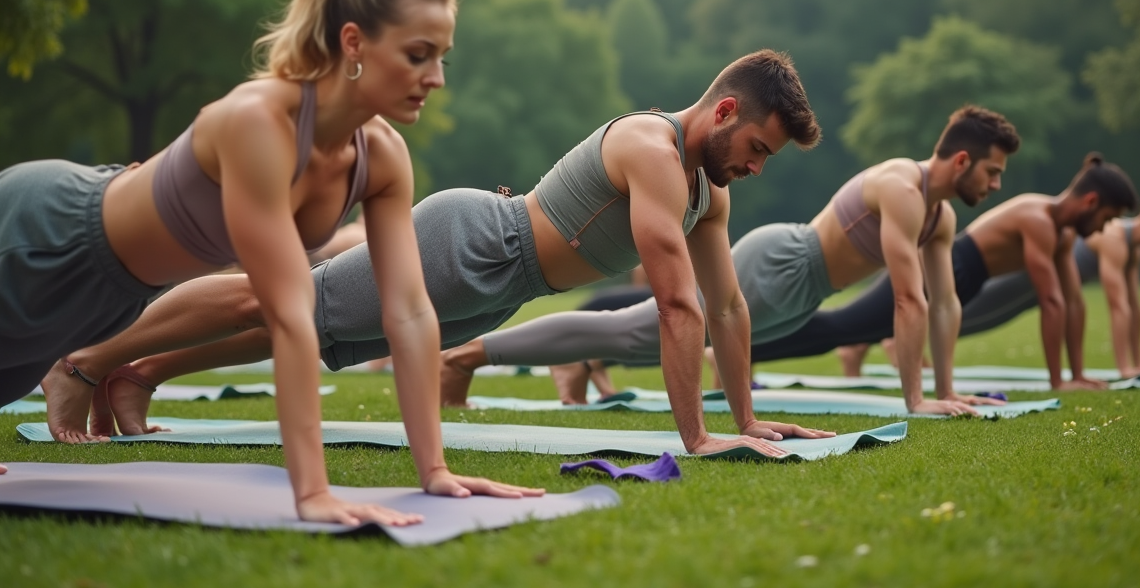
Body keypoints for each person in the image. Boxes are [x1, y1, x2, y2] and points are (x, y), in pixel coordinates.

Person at [44, 50, 827, 458]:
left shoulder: (707, 192)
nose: (755, 167)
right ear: (724, 110)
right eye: (756, 146)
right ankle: (83, 362)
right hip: (478, 244)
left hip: (500, 288)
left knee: (312, 333)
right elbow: (680, 301)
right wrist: (697, 436)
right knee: (282, 299)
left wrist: (749, 418)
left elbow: (725, 304)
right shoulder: (652, 148)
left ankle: (139, 375)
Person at [26, 0, 539, 522]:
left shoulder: (383, 155)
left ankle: (88, 363)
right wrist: (312, 493)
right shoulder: (260, 123)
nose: (436, 78)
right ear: (354, 42)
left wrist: (435, 472)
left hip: (114, 297)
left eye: (441, 58)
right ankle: (78, 364)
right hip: (48, 238)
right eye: (417, 55)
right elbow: (292, 318)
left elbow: (410, 311)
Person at [456, 106, 1022, 416]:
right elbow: (908, 297)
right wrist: (917, 402)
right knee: (633, 331)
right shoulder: (902, 186)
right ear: (963, 159)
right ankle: (469, 355)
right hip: (783, 265)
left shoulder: (940, 218)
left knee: (638, 334)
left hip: (804, 294)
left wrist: (944, 391)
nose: (996, 185)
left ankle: (567, 362)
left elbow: (945, 302)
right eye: (992, 172)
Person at [758, 154, 1140, 390]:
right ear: (1090, 201)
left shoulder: (1062, 233)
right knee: (843, 328)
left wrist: (1076, 376)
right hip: (948, 265)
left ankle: (742, 348)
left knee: (854, 327)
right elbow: (1052, 301)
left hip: (966, 278)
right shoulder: (1038, 218)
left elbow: (1072, 302)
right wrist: (1060, 381)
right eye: (1109, 217)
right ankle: (737, 348)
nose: (1107, 228)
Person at [875, 189, 1140, 378]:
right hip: (1026, 279)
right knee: (967, 316)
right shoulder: (1115, 239)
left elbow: (1134, 309)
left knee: (975, 320)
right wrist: (1125, 368)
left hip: (1043, 286)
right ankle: (880, 339)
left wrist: (1138, 364)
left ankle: (879, 339)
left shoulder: (1132, 250)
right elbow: (1118, 307)